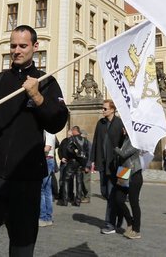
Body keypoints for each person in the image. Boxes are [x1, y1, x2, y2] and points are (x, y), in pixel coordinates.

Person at [0, 25, 68, 256]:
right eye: (13, 45)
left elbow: (57, 122)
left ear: (35, 47)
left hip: (27, 179)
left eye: (23, 45)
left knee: (22, 247)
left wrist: (37, 97)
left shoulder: (46, 82)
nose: (16, 50)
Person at [93, 99, 125, 235]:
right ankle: (119, 214)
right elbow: (95, 142)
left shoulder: (119, 124)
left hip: (116, 166)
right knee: (104, 192)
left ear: (112, 110)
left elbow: (125, 145)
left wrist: (124, 171)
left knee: (113, 195)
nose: (103, 110)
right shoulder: (100, 123)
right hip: (102, 163)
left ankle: (110, 224)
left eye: (105, 108)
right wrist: (92, 161)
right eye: (103, 108)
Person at [113, 131, 144, 239]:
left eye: (125, 127)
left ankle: (136, 230)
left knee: (133, 202)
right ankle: (130, 222)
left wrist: (114, 147)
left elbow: (124, 154)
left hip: (134, 172)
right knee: (118, 199)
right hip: (123, 171)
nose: (122, 129)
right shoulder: (124, 139)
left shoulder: (135, 141)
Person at [58, 126, 87, 206]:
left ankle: (65, 200)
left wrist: (75, 153)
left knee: (66, 179)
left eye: (72, 131)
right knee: (79, 181)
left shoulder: (72, 138)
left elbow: (69, 149)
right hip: (81, 162)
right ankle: (78, 201)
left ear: (74, 131)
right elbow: (86, 152)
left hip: (72, 161)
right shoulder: (84, 140)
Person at [39, 130, 57, 227]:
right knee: (47, 190)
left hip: (47, 160)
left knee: (42, 190)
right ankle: (48, 217)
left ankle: (43, 217)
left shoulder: (49, 132)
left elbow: (47, 148)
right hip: (48, 160)